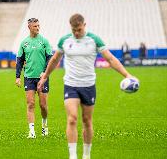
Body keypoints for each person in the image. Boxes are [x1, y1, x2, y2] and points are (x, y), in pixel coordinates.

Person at [37, 14, 137, 159]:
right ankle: (72, 156)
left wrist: (127, 75)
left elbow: (110, 59)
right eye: (73, 30)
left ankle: (86, 155)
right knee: (72, 118)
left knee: (86, 120)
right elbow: (54, 59)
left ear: (84, 25)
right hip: (70, 85)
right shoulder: (65, 40)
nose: (76, 33)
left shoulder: (94, 40)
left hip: (88, 85)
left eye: (78, 29)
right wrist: (45, 76)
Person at [15, 18, 53, 138]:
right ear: (29, 27)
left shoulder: (44, 41)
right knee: (30, 103)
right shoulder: (24, 43)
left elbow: (49, 59)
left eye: (38, 25)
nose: (37, 28)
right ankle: (31, 132)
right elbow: (20, 61)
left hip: (42, 78)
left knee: (43, 105)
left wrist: (44, 72)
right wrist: (17, 77)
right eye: (35, 26)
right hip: (29, 77)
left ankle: (44, 125)